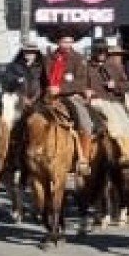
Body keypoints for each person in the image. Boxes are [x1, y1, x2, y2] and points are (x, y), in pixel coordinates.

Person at [43, 31, 100, 171]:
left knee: (85, 121)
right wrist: (48, 90)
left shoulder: (78, 58)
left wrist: (61, 88)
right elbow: (43, 78)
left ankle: (83, 159)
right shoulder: (48, 58)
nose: (67, 45)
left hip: (70, 96)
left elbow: (81, 82)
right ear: (58, 42)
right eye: (64, 42)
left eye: (70, 42)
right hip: (48, 96)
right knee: (29, 119)